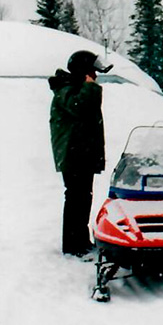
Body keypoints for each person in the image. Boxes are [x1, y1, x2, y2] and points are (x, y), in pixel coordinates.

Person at [49, 50, 113, 257]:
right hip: (73, 155)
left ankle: (80, 240)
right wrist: (89, 87)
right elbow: (80, 107)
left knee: (83, 198)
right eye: (93, 71)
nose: (95, 76)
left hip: (81, 155)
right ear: (83, 71)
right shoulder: (66, 90)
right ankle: (72, 244)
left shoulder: (74, 89)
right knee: (76, 198)